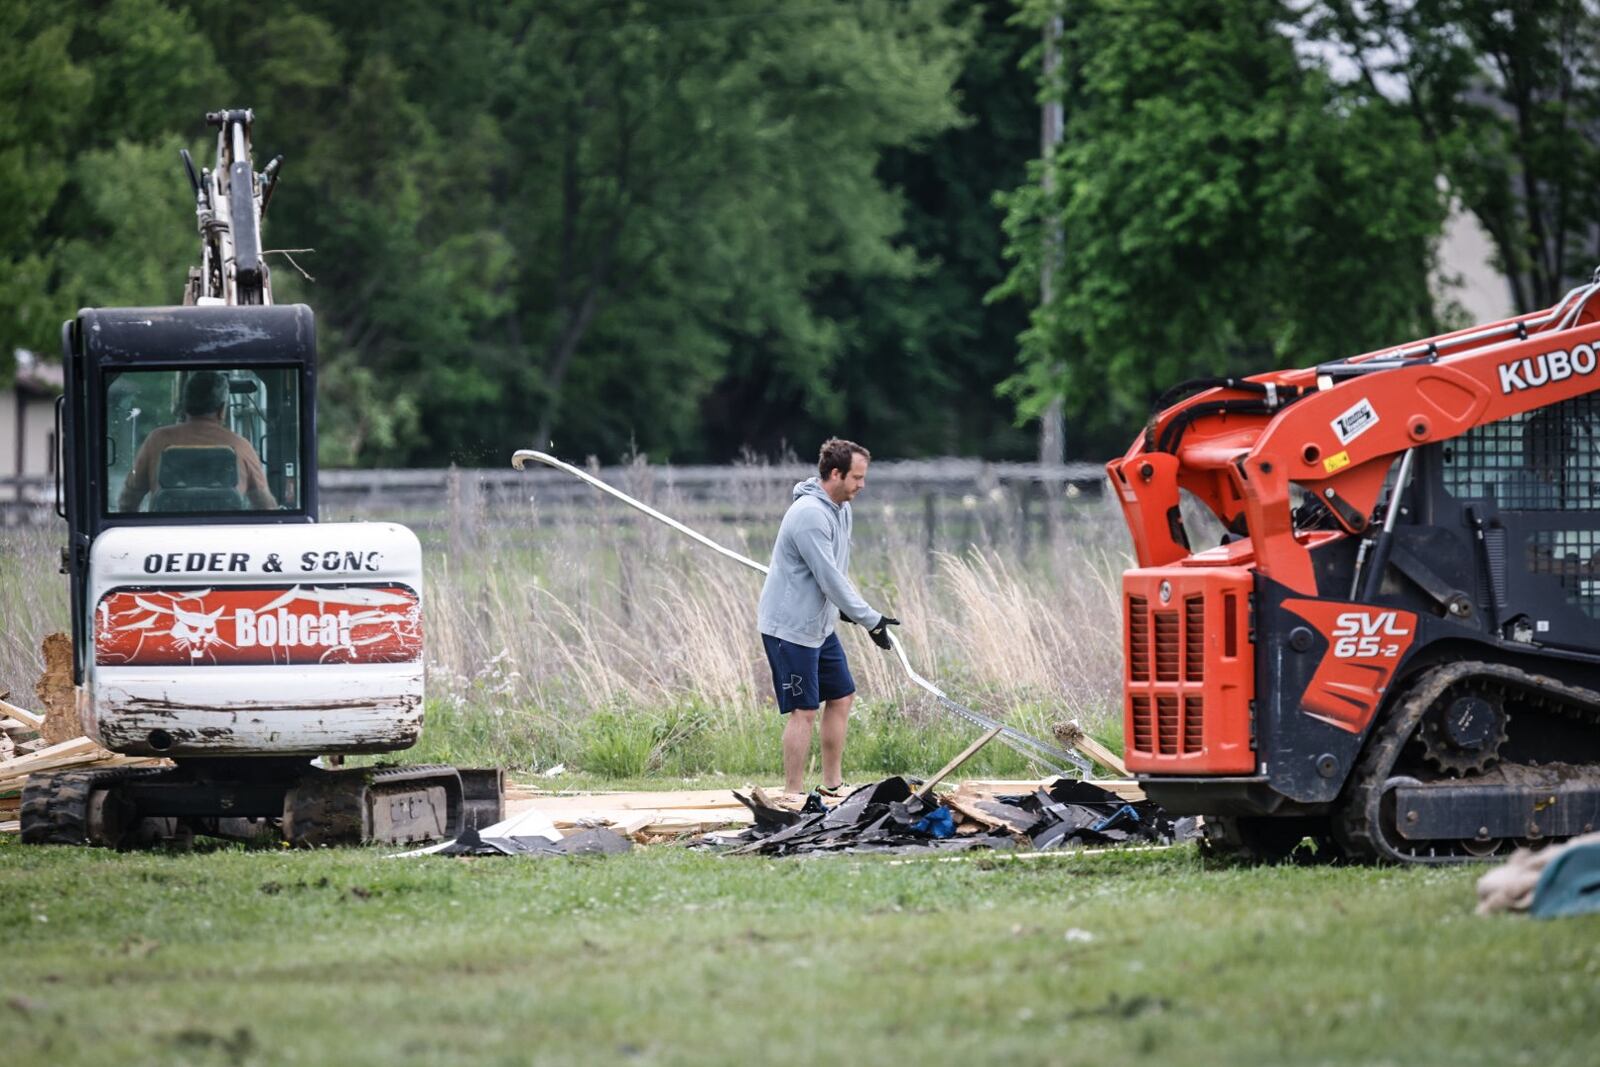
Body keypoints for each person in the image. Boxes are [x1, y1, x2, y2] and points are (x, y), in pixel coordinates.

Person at [757, 437, 899, 799]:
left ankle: (833, 786)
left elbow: (836, 571)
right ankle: (793, 795)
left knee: (842, 696)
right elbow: (829, 577)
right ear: (835, 473)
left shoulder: (840, 508)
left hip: (819, 625)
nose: (861, 485)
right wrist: (869, 619)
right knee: (804, 709)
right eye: (856, 477)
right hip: (790, 629)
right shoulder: (809, 515)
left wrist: (844, 609)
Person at [117, 371, 277, 512]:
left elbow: (128, 500)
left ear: (185, 405)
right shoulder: (240, 446)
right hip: (227, 541)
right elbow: (265, 506)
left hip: (165, 540)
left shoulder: (157, 440)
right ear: (222, 410)